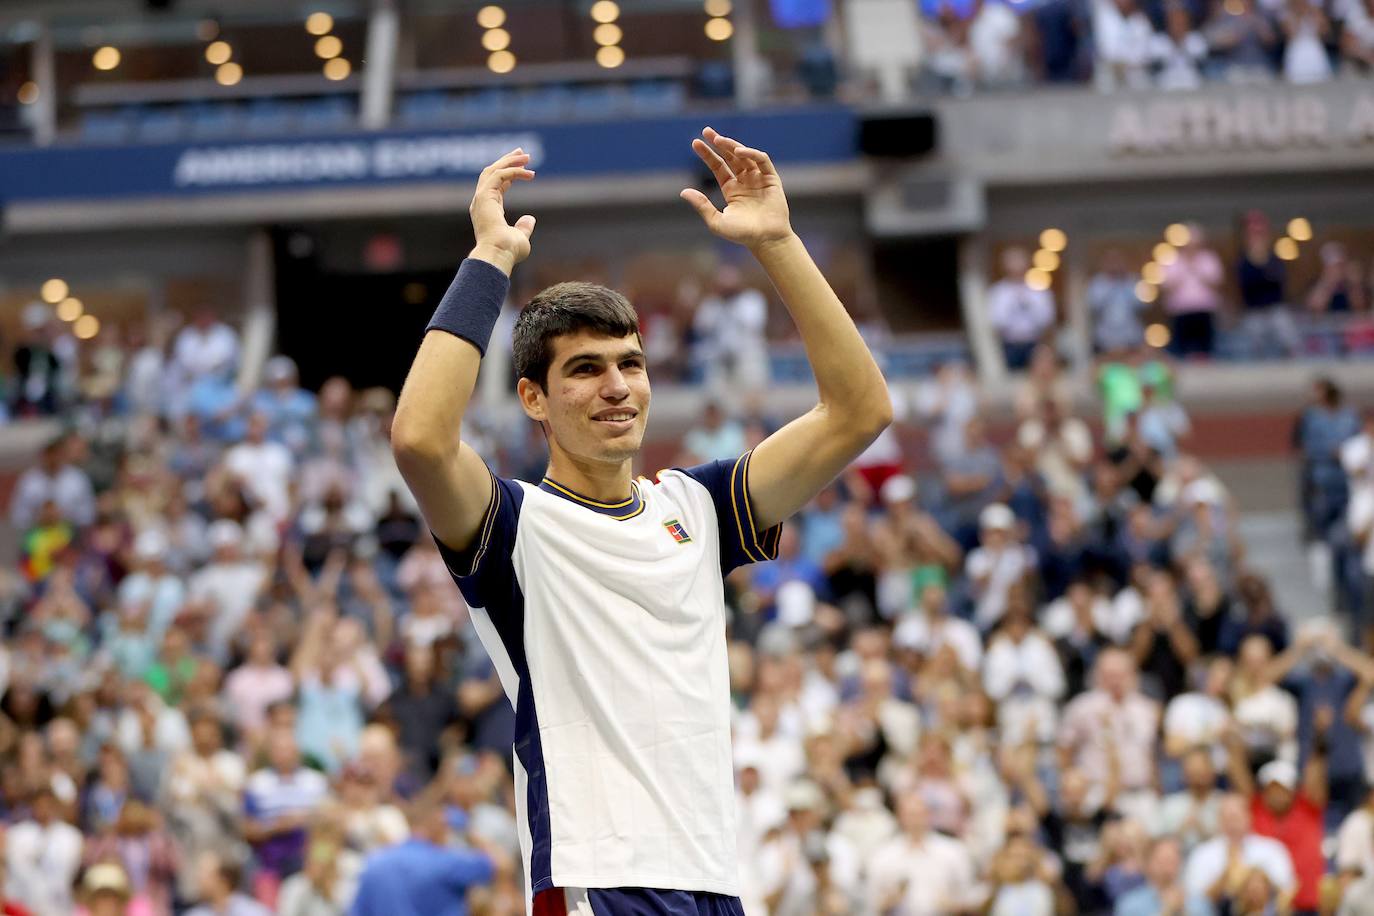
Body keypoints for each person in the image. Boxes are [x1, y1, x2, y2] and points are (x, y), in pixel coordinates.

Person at [390, 132, 891, 912]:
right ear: (533, 398)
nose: (618, 386)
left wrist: (779, 243)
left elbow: (860, 412)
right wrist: (490, 257)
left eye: (631, 363)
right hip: (600, 875)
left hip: (712, 877)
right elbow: (420, 438)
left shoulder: (697, 505)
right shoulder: (514, 525)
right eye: (585, 370)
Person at [348, 803, 496, 916]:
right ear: (439, 826)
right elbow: (499, 863)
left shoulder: (375, 863)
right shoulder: (446, 862)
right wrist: (468, 831)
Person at [1115, 836, 1214, 916]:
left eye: (1173, 860)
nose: (1168, 867)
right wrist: (1166, 912)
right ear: (1147, 864)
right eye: (1162, 861)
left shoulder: (1199, 902)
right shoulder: (1130, 904)